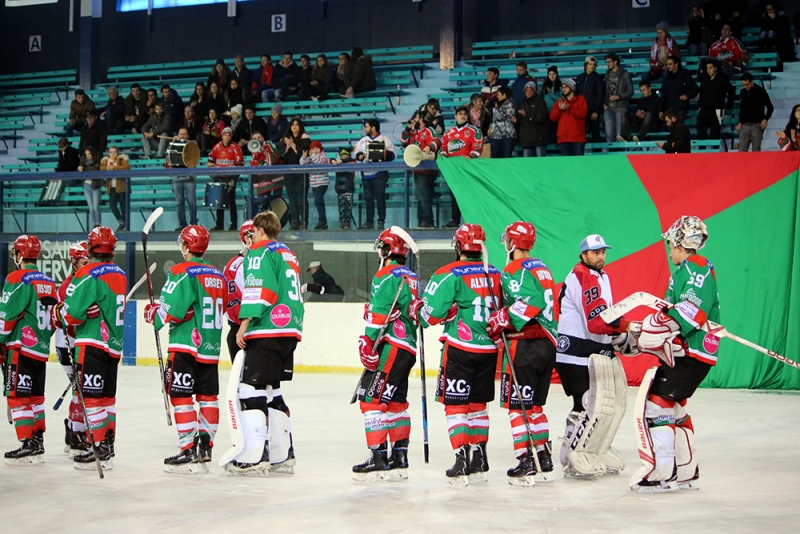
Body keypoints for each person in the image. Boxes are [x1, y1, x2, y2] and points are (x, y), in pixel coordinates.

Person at [631, 215, 717, 492]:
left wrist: (661, 326)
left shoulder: (697, 267)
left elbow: (692, 309)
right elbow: (670, 310)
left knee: (657, 404)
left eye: (671, 243)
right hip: (686, 351)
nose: (669, 249)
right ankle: (687, 471)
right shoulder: (681, 271)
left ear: (681, 242)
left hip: (695, 351)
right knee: (676, 405)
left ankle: (662, 472)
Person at [418, 224, 501, 486]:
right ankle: (480, 457)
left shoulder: (449, 273)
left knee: (456, 405)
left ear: (458, 246)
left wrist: (418, 309)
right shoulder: (496, 273)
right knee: (478, 406)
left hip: (460, 349)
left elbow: (428, 317)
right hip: (489, 350)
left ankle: (461, 457)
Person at [143, 225, 226, 473]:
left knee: (180, 396)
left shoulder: (182, 271)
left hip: (185, 345)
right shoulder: (218, 275)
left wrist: (153, 314)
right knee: (208, 398)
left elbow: (172, 311)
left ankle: (188, 449)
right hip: (210, 348)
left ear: (187, 246)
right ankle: (206, 447)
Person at [555, 234, 637, 479]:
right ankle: (571, 453)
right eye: (595, 252)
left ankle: (593, 448)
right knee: (586, 404)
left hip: (592, 351)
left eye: (603, 251)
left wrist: (615, 339)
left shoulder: (601, 276)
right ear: (583, 254)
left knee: (602, 404)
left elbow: (605, 317)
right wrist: (628, 327)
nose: (601, 256)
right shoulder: (583, 275)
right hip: (575, 353)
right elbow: (597, 322)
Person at [229, 211, 304, 476]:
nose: (251, 237)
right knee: (273, 390)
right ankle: (282, 454)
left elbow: (261, 289)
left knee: (251, 389)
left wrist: (245, 322)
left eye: (253, 232)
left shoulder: (259, 252)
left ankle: (253, 456)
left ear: (260, 230)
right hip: (290, 329)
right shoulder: (288, 253)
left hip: (267, 329)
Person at [484, 221, 558, 486]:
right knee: (535, 406)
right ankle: (543, 455)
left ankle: (525, 460)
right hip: (548, 344)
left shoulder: (513, 269)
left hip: (525, 345)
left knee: (518, 407)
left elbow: (532, 303)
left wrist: (502, 318)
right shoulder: (542, 267)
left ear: (512, 243)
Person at [56, 226, 127, 470]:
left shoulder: (87, 273)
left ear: (90, 247)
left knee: (91, 399)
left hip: (92, 343)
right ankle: (107, 446)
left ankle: (97, 448)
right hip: (114, 346)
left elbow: (71, 315)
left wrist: (60, 312)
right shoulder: (120, 273)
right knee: (108, 399)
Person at [352, 228, 419, 481]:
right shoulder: (412, 277)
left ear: (389, 250)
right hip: (408, 348)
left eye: (382, 247)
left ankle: (378, 456)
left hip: (391, 346)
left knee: (371, 400)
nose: (380, 252)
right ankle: (399, 456)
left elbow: (380, 313)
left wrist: (367, 343)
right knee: (396, 404)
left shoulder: (385, 275)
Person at [0, 235, 57, 465]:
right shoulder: (49, 282)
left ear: (20, 255)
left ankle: (27, 444)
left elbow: (7, 313)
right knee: (36, 398)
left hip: (20, 348)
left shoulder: (17, 278)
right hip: (40, 350)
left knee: (17, 396)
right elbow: (55, 318)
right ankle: (38, 441)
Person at [54, 242, 90, 458]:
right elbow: (70, 321)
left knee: (82, 388)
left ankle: (72, 430)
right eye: (85, 262)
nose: (88, 266)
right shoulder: (69, 285)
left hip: (73, 344)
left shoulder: (84, 280)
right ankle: (76, 434)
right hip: (68, 345)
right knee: (82, 389)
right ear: (74, 263)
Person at [439, 107, 483, 228]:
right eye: (460, 114)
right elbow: (443, 148)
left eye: (464, 114)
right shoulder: (449, 133)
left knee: (470, 195)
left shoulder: (474, 130)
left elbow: (478, 146)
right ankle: (455, 221)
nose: (462, 116)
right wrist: (444, 158)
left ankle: (473, 221)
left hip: (468, 170)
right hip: (453, 170)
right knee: (454, 195)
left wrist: (471, 156)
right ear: (455, 117)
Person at [353, 119, 397, 230]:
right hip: (366, 174)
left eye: (367, 127)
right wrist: (359, 156)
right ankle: (369, 222)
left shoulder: (384, 140)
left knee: (380, 198)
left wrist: (386, 154)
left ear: (373, 128)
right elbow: (354, 152)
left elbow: (394, 155)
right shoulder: (363, 140)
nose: (365, 129)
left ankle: (381, 221)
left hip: (380, 174)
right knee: (368, 199)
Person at [401, 111, 440, 228]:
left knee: (423, 195)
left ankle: (428, 220)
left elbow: (437, 140)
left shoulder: (428, 130)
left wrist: (429, 146)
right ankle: (422, 221)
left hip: (427, 169)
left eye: (417, 117)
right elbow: (403, 141)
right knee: (420, 195)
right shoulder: (412, 132)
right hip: (416, 168)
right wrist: (407, 128)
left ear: (422, 118)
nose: (414, 119)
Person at [223, 220, 253, 364]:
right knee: (249, 384)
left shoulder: (233, 264)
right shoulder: (245, 265)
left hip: (239, 331)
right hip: (245, 332)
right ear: (246, 238)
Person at [208, 127, 244, 231]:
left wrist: (234, 179)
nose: (227, 137)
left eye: (229, 135)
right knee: (218, 202)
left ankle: (233, 224)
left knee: (232, 202)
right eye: (225, 135)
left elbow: (240, 164)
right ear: (222, 136)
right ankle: (219, 225)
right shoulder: (216, 147)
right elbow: (211, 160)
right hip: (219, 178)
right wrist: (211, 173)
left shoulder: (235, 147)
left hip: (230, 178)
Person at [279, 117, 311, 230]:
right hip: (288, 173)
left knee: (301, 198)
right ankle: (295, 221)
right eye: (293, 124)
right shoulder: (285, 139)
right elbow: (281, 156)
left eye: (297, 124)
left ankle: (304, 221)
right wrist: (288, 146)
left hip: (301, 173)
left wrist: (293, 145)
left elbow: (304, 154)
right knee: (292, 198)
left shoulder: (305, 139)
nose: (294, 126)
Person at [166, 128, 197, 230]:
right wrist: (173, 142)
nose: (182, 136)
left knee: (191, 202)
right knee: (179, 202)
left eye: (184, 134)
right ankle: (182, 224)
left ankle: (193, 223)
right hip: (176, 175)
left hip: (189, 175)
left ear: (187, 136)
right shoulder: (172, 145)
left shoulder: (192, 144)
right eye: (180, 134)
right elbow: (168, 159)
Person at [696, 60, 735, 140]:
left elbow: (732, 93)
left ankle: (715, 152)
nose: (708, 70)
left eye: (710, 68)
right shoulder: (704, 79)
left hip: (716, 110)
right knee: (700, 134)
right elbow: (701, 93)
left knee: (715, 134)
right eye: (707, 68)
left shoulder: (723, 79)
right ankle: (701, 152)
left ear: (715, 68)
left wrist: (728, 106)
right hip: (703, 110)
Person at [549, 78, 588, 156]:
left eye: (565, 87)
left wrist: (569, 108)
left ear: (572, 88)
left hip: (577, 138)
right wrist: (560, 110)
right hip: (563, 139)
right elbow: (553, 118)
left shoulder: (581, 100)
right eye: (563, 87)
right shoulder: (559, 102)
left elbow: (583, 114)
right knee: (567, 166)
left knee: (578, 164)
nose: (563, 89)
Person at [737, 73, 774, 152]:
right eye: (743, 85)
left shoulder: (760, 91)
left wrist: (765, 119)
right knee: (741, 151)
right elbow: (742, 108)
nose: (745, 87)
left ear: (752, 82)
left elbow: (770, 107)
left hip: (757, 125)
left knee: (756, 150)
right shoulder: (742, 92)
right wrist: (740, 121)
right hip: (744, 125)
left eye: (747, 84)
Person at [249, 131, 283, 217]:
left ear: (263, 138)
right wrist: (256, 185)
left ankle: (278, 223)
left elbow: (276, 158)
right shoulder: (253, 148)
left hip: (275, 179)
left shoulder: (269, 144)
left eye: (258, 137)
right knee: (263, 203)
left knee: (277, 202)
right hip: (263, 181)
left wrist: (264, 152)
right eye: (254, 138)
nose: (257, 140)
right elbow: (253, 166)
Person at [300, 140, 331, 230]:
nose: (315, 150)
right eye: (313, 148)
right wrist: (304, 157)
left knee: (318, 200)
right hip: (313, 184)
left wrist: (312, 155)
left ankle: (323, 221)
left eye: (317, 148)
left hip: (322, 183)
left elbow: (318, 161)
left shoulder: (323, 156)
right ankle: (322, 221)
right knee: (317, 202)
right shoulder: (311, 157)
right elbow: (302, 163)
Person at [658, 56, 698, 125]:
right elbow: (663, 95)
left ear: (676, 64)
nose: (668, 66)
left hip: (680, 107)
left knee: (678, 127)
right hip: (669, 108)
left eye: (670, 64)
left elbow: (695, 88)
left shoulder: (684, 74)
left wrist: (687, 95)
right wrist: (661, 109)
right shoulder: (667, 78)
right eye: (667, 64)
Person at [603, 53, 633, 143]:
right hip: (609, 108)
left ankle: (620, 155)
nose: (607, 64)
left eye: (609, 62)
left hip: (620, 107)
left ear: (615, 62)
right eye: (607, 62)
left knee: (619, 136)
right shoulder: (607, 75)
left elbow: (630, 91)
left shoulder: (625, 74)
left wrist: (619, 96)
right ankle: (612, 156)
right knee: (609, 135)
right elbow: (605, 91)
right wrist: (605, 103)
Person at [514, 81, 549, 157]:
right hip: (526, 140)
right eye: (526, 90)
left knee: (540, 163)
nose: (528, 92)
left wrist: (527, 115)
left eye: (530, 90)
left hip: (539, 139)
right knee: (527, 165)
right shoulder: (522, 103)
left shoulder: (540, 102)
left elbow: (541, 118)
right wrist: (515, 120)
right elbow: (519, 119)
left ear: (534, 91)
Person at [575, 56, 605, 144]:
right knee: (580, 133)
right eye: (590, 64)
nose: (592, 66)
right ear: (586, 65)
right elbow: (576, 94)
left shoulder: (598, 78)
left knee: (595, 133)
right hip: (581, 110)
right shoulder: (580, 77)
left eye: (594, 65)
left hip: (592, 110)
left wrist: (596, 111)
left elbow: (600, 95)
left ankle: (597, 156)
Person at [100, 146, 131, 231]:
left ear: (117, 152)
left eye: (114, 152)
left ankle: (126, 225)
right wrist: (107, 168)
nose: (112, 154)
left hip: (122, 187)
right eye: (111, 152)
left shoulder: (121, 159)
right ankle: (122, 222)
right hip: (112, 187)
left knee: (123, 206)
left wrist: (114, 168)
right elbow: (101, 168)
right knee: (112, 205)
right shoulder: (106, 161)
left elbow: (126, 167)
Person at [332, 147, 357, 230]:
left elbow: (353, 161)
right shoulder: (337, 165)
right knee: (341, 208)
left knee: (348, 207)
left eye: (345, 157)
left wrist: (342, 161)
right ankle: (342, 223)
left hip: (349, 190)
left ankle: (347, 223)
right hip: (340, 191)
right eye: (342, 157)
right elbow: (330, 160)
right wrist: (333, 160)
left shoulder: (351, 163)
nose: (343, 158)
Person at [488, 86, 516, 158]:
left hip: (507, 135)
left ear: (504, 95)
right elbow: (494, 118)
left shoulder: (510, 104)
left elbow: (501, 117)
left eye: (499, 94)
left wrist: (496, 108)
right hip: (496, 135)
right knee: (495, 158)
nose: (497, 96)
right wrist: (491, 127)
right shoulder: (497, 104)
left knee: (506, 158)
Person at [78, 146, 102, 228]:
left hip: (95, 185)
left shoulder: (97, 162)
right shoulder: (83, 163)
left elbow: (96, 172)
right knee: (91, 207)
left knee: (95, 206)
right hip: (86, 185)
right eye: (86, 154)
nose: (87, 155)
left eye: (89, 154)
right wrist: (80, 169)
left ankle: (98, 224)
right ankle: (94, 224)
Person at [542, 66, 562, 145]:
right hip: (546, 113)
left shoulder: (559, 86)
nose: (552, 76)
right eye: (550, 74)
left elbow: (560, 99)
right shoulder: (545, 85)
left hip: (556, 113)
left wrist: (551, 93)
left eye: (553, 74)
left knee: (555, 132)